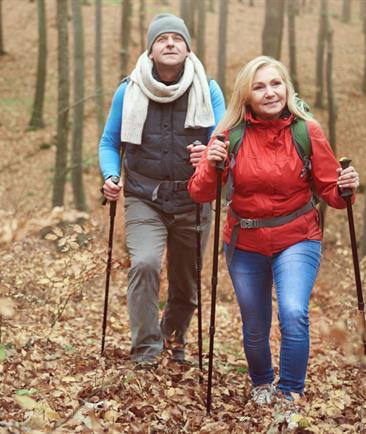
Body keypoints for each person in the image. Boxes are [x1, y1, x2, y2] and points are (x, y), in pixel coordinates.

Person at [188, 56, 359, 419]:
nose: (270, 92)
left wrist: (346, 188)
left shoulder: (306, 131)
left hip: (297, 236)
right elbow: (202, 194)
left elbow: (331, 193)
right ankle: (262, 382)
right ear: (246, 96)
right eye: (260, 86)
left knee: (294, 311)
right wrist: (212, 163)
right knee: (254, 323)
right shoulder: (229, 135)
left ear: (287, 88)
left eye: (276, 84)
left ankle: (290, 394)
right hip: (244, 242)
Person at [98, 13, 225, 368]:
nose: (170, 43)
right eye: (161, 39)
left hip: (195, 198)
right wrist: (110, 175)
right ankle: (146, 350)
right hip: (144, 197)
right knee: (145, 262)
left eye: (177, 39)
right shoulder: (129, 89)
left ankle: (173, 336)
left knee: (187, 282)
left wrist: (212, 153)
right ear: (151, 50)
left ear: (187, 48)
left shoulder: (209, 89)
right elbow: (109, 142)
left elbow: (225, 139)